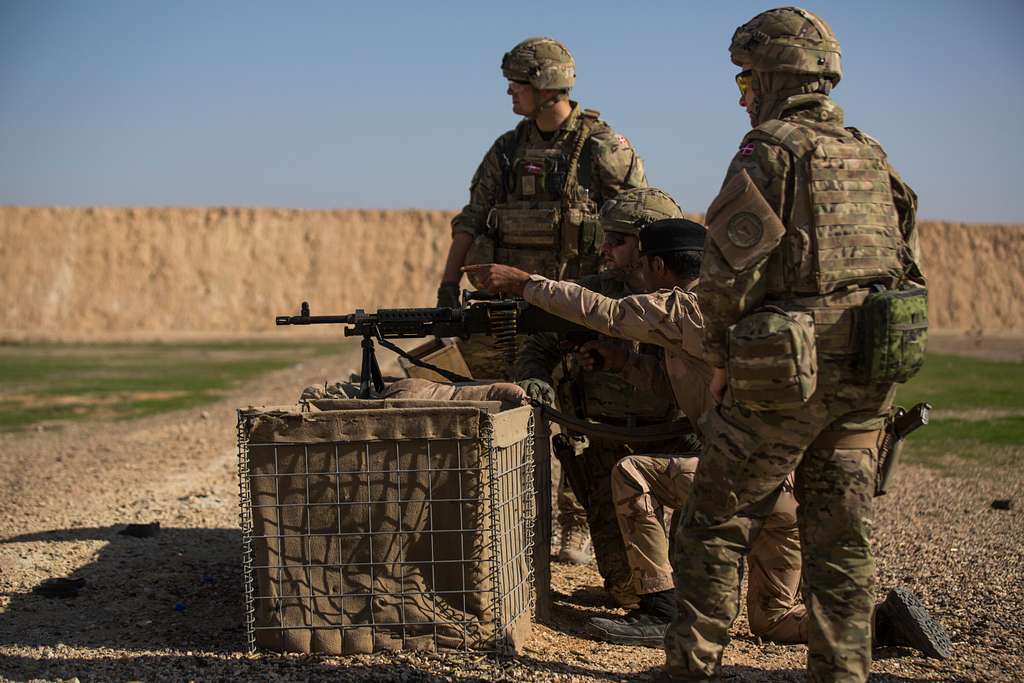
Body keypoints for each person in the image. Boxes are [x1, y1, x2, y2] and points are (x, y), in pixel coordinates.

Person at [464, 216, 948, 673]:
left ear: (658, 266)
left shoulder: (684, 306)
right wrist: (622, 363)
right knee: (773, 621)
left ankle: (660, 609)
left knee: (632, 473)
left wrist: (525, 282)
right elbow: (685, 378)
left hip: (748, 488)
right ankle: (881, 625)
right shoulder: (739, 311)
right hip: (793, 493)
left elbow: (605, 312)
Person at [666, 7, 933, 681]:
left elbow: (726, 280)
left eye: (746, 81)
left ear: (777, 77)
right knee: (840, 540)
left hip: (784, 380)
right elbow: (908, 272)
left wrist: (723, 360)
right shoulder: (875, 157)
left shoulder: (770, 152)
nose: (743, 97)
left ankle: (689, 668)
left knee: (714, 520)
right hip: (868, 379)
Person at [514, 188, 689, 606]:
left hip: (679, 438)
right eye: (606, 237)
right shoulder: (589, 292)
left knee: (694, 587)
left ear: (649, 246)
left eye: (619, 240)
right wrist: (535, 380)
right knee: (627, 592)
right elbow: (538, 345)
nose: (606, 248)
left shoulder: (693, 299)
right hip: (606, 444)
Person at [436, 36, 647, 381]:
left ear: (545, 84)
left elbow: (640, 221)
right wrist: (447, 286)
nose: (509, 93)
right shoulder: (507, 149)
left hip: (579, 311)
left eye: (516, 85)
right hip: (508, 314)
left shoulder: (602, 148)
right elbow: (472, 217)